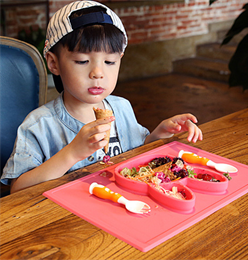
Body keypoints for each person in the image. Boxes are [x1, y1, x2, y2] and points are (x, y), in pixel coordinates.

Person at [1, 1, 202, 193]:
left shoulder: (122, 108)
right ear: (54, 63)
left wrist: (161, 133)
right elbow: (17, 189)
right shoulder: (39, 125)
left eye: (109, 61)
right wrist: (72, 153)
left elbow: (137, 152)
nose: (97, 73)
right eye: (82, 61)